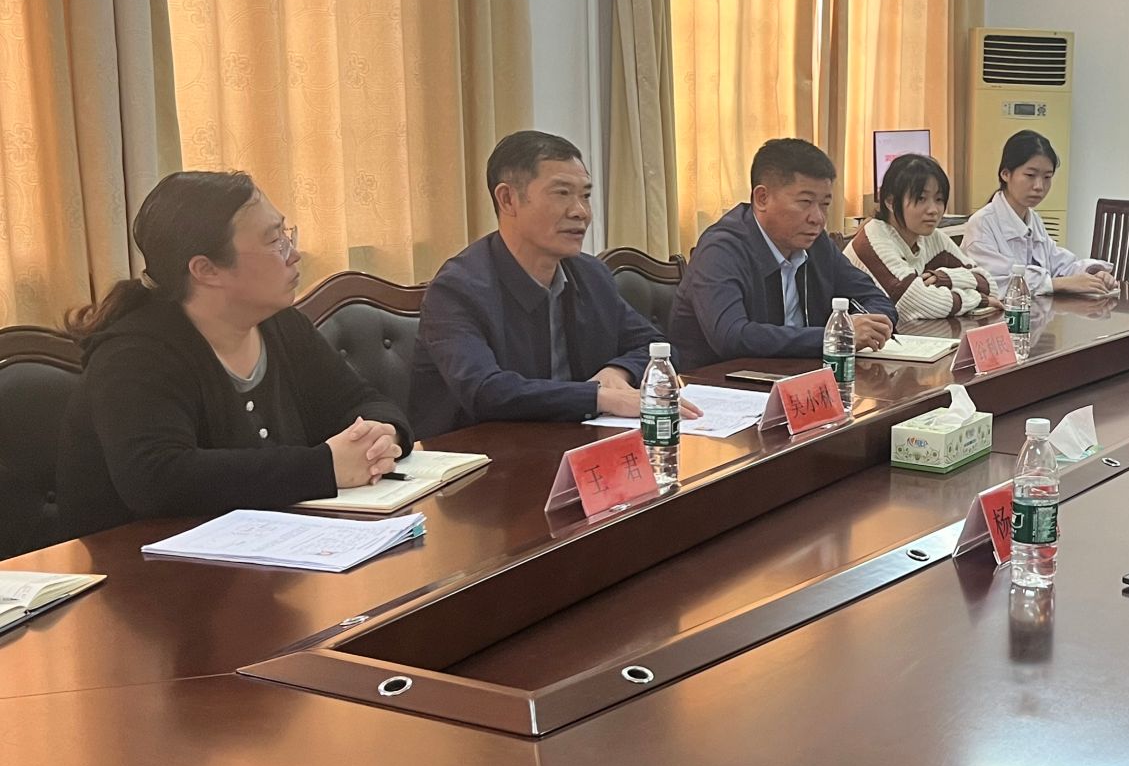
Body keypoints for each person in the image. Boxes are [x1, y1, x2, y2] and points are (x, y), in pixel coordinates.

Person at [59, 171, 413, 536]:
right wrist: (324, 467)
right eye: (274, 241)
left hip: (270, 547)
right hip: (142, 561)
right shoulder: (134, 354)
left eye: (286, 235)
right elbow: (159, 478)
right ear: (206, 269)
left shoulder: (280, 324)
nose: (293, 254)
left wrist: (383, 437)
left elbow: (359, 400)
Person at [411, 131, 697, 438]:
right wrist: (599, 397)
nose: (580, 212)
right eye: (562, 193)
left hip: (571, 442)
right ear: (507, 199)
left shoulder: (591, 274)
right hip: (480, 455)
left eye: (585, 195)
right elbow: (486, 390)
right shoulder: (456, 290)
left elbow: (657, 347)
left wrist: (618, 371)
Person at [668, 138, 896, 371]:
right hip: (718, 384)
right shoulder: (721, 250)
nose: (817, 218)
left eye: (824, 204)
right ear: (762, 198)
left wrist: (870, 326)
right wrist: (837, 335)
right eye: (805, 202)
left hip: (801, 379)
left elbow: (876, 300)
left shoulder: (816, 244)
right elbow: (732, 336)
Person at [959, 132, 1120, 296]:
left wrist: (1094, 274)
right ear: (1005, 174)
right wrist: (1056, 284)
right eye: (1030, 175)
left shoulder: (1033, 219)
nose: (1039, 186)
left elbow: (1058, 263)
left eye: (1047, 177)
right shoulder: (982, 223)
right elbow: (994, 283)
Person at [848, 154, 998, 319]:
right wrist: (979, 300)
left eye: (939, 199)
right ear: (890, 202)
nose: (933, 210)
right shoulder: (873, 240)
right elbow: (919, 303)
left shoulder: (931, 237)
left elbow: (989, 283)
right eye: (921, 198)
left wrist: (945, 278)